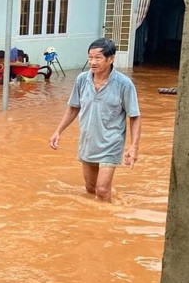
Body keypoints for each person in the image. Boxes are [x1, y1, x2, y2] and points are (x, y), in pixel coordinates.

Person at [49, 38, 141, 203]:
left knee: (102, 189)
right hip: (88, 140)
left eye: (98, 58)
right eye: (90, 58)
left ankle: (109, 222)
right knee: (90, 188)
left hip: (111, 143)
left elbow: (134, 116)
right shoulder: (82, 80)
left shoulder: (124, 85)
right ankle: (96, 218)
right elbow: (73, 108)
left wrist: (134, 147)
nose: (92, 62)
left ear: (111, 59)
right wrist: (58, 131)